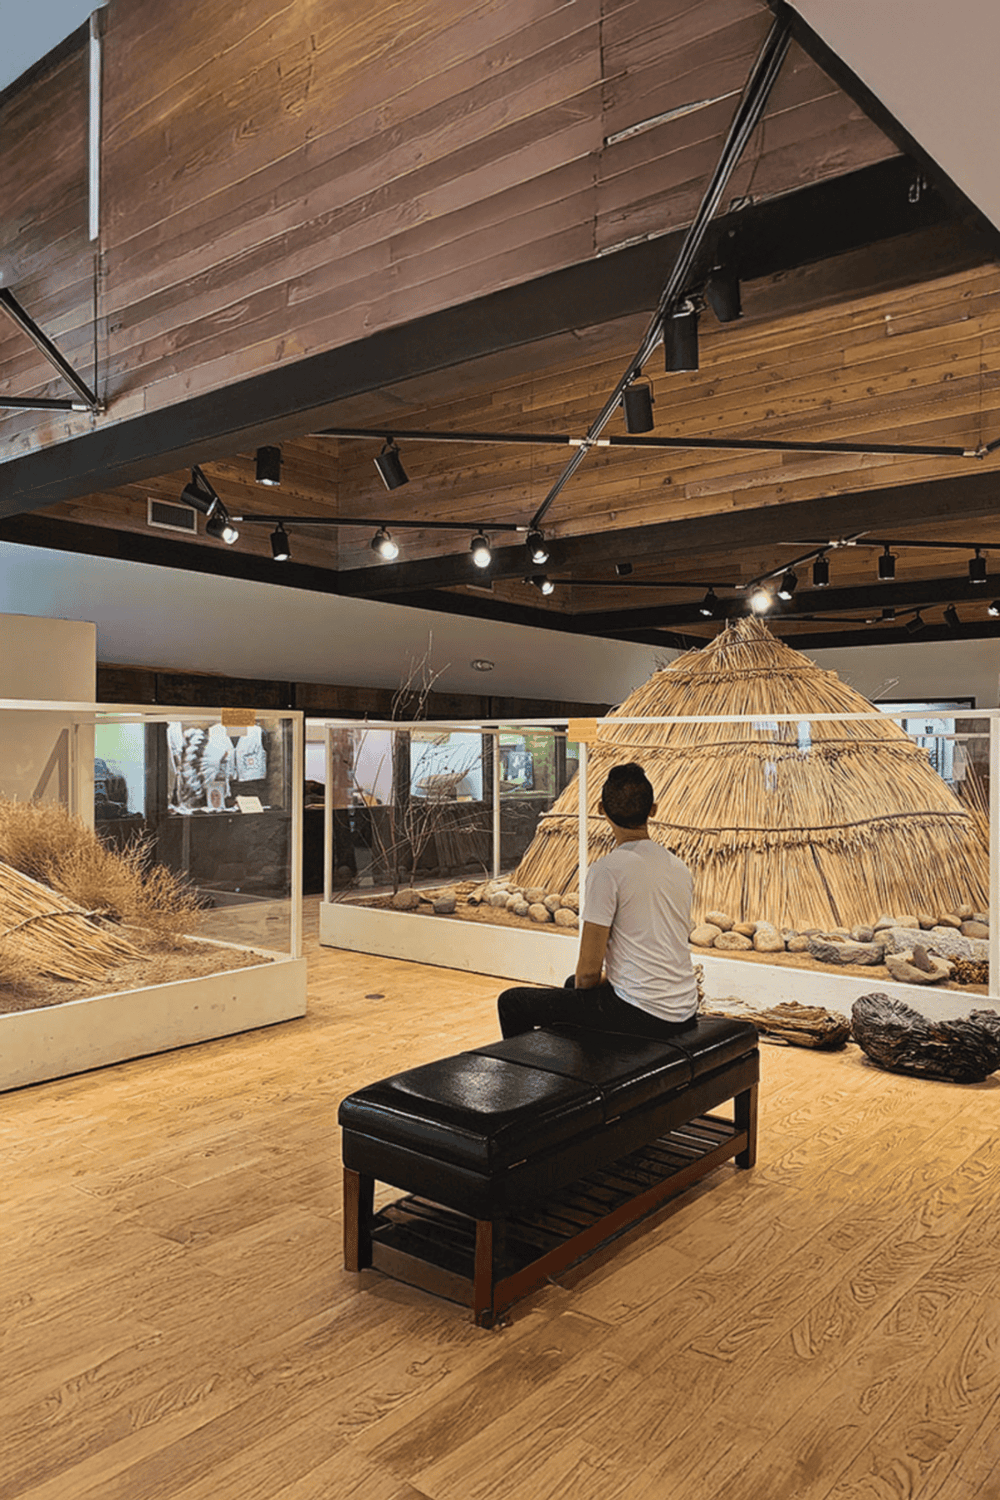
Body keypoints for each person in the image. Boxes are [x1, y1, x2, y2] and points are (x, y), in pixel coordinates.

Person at [497, 762, 699, 1040]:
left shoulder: (607, 871)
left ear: (601, 810)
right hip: (684, 1010)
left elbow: (589, 974)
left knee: (513, 1002)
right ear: (654, 810)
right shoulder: (679, 868)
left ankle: (529, 1076)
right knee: (571, 987)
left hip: (642, 1015)